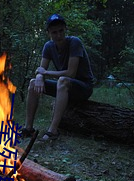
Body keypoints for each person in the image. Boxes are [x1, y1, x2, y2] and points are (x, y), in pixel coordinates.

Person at [21, 13, 95, 141]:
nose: (59, 35)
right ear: (49, 33)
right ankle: (28, 128)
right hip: (64, 86)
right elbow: (41, 70)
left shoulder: (74, 42)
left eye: (61, 31)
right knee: (33, 83)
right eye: (54, 32)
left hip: (83, 87)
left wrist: (44, 73)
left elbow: (71, 73)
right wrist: (39, 77)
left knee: (63, 80)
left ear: (65, 29)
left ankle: (53, 130)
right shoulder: (48, 46)